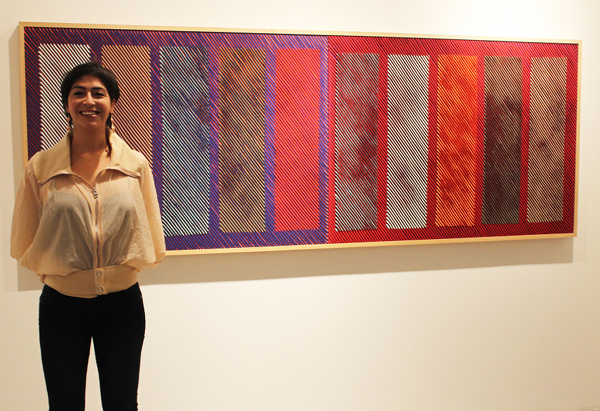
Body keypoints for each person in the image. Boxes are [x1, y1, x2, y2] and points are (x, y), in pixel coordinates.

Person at [11, 61, 165, 410]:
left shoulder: (135, 165)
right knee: (64, 404)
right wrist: (62, 274)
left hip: (122, 304)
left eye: (99, 93)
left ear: (112, 103)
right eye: (78, 93)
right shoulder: (41, 167)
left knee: (122, 403)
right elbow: (24, 236)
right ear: (67, 104)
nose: (89, 101)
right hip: (62, 305)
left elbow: (150, 231)